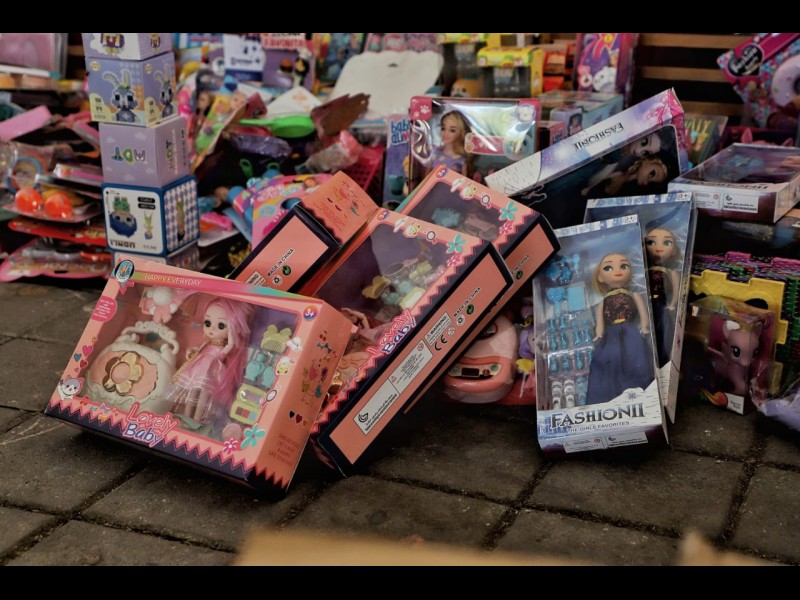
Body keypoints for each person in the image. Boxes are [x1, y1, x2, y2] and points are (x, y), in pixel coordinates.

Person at [167, 297, 255, 435]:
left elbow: (227, 349)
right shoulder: (207, 343)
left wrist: (233, 335)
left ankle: (195, 420)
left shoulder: (223, 348)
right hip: (198, 368)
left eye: (221, 325)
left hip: (211, 370)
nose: (212, 329)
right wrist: (192, 351)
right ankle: (186, 416)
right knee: (192, 392)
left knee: (203, 395)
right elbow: (199, 350)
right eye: (207, 323)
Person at [586, 253, 654, 405]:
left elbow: (643, 312)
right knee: (610, 361)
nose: (617, 270)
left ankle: (639, 393)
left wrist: (644, 326)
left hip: (630, 331)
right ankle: (611, 395)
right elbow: (600, 320)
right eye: (608, 268)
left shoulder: (633, 294)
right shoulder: (603, 300)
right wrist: (598, 333)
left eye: (624, 266)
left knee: (635, 357)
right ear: (600, 277)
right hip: (611, 334)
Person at [644, 224, 681, 367]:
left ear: (674, 250)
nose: (658, 247)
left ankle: (663, 359)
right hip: (647, 304)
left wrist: (672, 304)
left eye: (666, 242)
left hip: (660, 303)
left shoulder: (671, 271)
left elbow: (677, 288)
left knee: (662, 331)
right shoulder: (646, 269)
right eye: (651, 242)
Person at [430, 111, 471, 175]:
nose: (446, 133)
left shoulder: (461, 160)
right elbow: (426, 177)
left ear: (462, 134)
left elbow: (464, 180)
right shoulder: (434, 152)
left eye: (452, 130)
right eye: (443, 128)